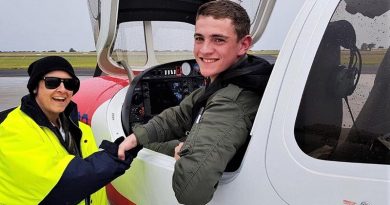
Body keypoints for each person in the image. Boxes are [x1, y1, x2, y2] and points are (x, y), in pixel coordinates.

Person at [118, 0, 273, 204]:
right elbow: (183, 113)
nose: (204, 50)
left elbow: (191, 191)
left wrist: (185, 151)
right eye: (199, 38)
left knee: (161, 147)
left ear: (243, 44)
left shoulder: (231, 102)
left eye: (218, 40)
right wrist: (137, 136)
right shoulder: (235, 77)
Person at [0, 56, 139, 204]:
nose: (62, 90)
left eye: (69, 84)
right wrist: (120, 153)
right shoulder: (11, 129)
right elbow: (66, 182)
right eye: (52, 83)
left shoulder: (82, 130)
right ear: (34, 87)